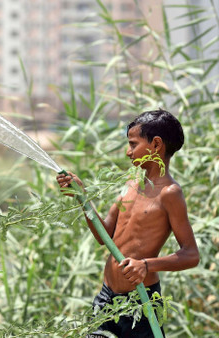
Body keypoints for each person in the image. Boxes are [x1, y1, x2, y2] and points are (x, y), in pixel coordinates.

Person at [56, 109, 199, 337]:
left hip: (141, 304)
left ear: (156, 145)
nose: (128, 152)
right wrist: (82, 197)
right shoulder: (131, 184)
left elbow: (191, 254)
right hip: (106, 299)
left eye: (133, 144)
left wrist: (146, 266)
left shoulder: (170, 193)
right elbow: (104, 236)